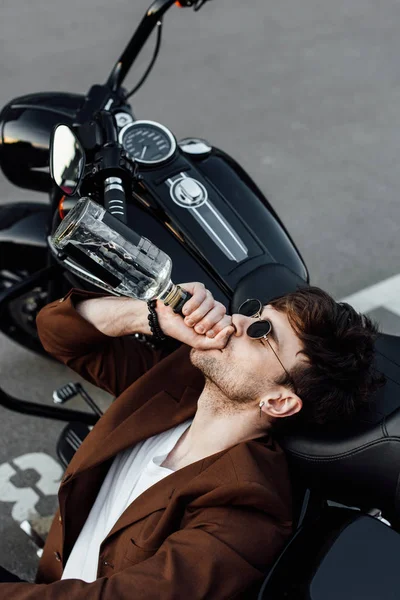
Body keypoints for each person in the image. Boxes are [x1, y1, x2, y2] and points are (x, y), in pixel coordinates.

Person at [0, 281, 383, 599]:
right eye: (253, 313)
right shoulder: (176, 382)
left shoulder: (247, 510)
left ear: (279, 401)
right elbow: (57, 333)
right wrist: (148, 313)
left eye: (262, 333)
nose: (235, 322)